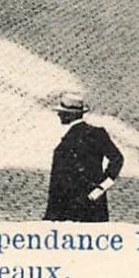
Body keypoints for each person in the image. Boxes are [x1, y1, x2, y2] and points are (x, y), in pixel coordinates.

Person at [43, 93, 124, 222]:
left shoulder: (92, 134)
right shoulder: (96, 133)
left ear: (71, 115)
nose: (59, 115)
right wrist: (102, 187)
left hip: (76, 206)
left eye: (62, 112)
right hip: (86, 204)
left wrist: (100, 188)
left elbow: (117, 159)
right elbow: (117, 159)